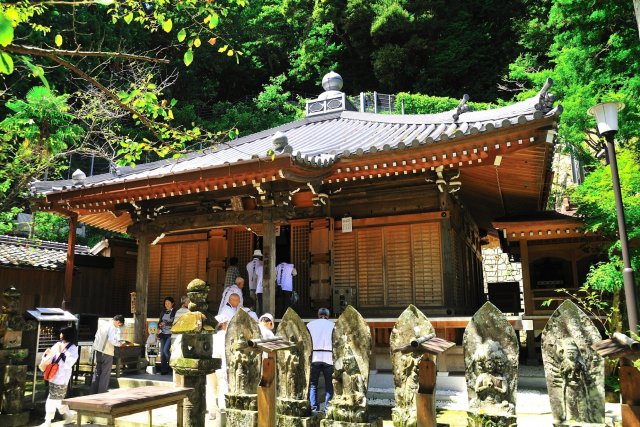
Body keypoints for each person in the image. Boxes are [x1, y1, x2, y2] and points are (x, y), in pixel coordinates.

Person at [40, 326, 79, 427]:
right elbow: (50, 356)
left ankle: (48, 421)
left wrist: (62, 355)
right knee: (57, 400)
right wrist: (47, 354)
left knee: (52, 399)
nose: (60, 335)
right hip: (53, 375)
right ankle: (69, 415)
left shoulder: (73, 348)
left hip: (62, 377)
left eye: (62, 333)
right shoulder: (58, 344)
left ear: (67, 334)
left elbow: (70, 362)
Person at [307, 307, 335, 413]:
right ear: (328, 316)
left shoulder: (310, 325)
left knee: (313, 384)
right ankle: (327, 408)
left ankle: (314, 408)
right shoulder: (333, 325)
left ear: (318, 315)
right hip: (328, 357)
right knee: (329, 384)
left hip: (315, 356)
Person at [90, 315, 124, 394]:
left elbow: (96, 336)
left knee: (97, 372)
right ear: (118, 321)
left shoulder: (104, 325)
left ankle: (93, 392)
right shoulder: (112, 327)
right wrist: (119, 344)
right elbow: (112, 340)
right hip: (107, 352)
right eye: (119, 325)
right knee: (105, 374)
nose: (118, 326)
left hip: (98, 350)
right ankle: (102, 392)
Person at [209, 314, 229, 421]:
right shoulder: (225, 336)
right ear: (223, 324)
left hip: (210, 364)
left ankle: (212, 411)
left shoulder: (211, 335)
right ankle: (222, 409)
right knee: (222, 387)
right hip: (221, 364)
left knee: (211, 387)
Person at [158, 297, 177, 375]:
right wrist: (160, 325)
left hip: (170, 334)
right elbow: (159, 322)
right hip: (163, 334)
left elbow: (175, 323)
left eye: (168, 303)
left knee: (166, 351)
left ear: (172, 303)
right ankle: (164, 369)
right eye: (165, 303)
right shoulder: (163, 312)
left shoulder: (175, 312)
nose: (167, 305)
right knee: (162, 353)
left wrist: (166, 324)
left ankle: (173, 366)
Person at [246, 249, 264, 314]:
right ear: (260, 256)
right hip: (259, 287)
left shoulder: (248, 264)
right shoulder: (262, 263)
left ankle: (251, 315)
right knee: (259, 303)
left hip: (251, 286)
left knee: (252, 302)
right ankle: (258, 316)